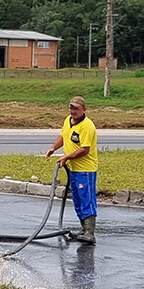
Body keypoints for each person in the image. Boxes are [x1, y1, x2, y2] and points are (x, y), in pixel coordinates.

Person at [45, 96, 99, 244]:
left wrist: (66, 157)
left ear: (84, 109)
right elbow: (64, 136)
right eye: (71, 107)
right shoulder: (68, 120)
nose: (73, 111)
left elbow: (85, 150)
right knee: (78, 198)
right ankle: (83, 229)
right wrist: (53, 148)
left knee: (86, 198)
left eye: (76, 108)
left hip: (85, 169)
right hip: (73, 169)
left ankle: (89, 232)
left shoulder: (87, 126)